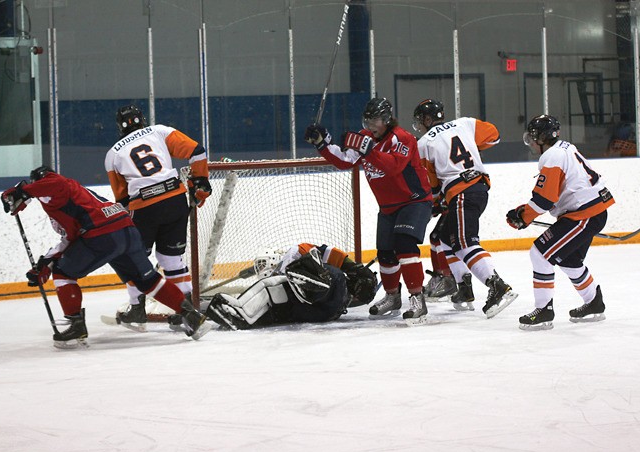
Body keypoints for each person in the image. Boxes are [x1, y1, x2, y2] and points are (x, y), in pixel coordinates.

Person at [0, 166, 211, 349]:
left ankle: (76, 326)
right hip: (126, 228)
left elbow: (54, 183)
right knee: (148, 280)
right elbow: (69, 239)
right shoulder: (72, 197)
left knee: (63, 273)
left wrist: (23, 191)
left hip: (103, 234)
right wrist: (45, 261)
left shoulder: (60, 185)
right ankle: (191, 315)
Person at [304, 97, 433, 324]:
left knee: (404, 245)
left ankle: (417, 299)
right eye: (367, 120)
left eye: (374, 120)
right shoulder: (365, 138)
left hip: (414, 201)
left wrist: (368, 150)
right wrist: (323, 144)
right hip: (388, 206)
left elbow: (393, 167)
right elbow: (345, 160)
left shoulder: (403, 138)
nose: (370, 125)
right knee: (385, 252)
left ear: (385, 119)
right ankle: (393, 297)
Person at [104, 104, 212, 328]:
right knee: (171, 259)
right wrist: (200, 181)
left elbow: (123, 200)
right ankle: (187, 310)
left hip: (144, 209)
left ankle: (136, 309)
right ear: (141, 119)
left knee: (134, 259)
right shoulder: (160, 131)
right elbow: (197, 151)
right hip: (175, 200)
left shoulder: (113, 154)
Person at [506, 114, 615, 330]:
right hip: (591, 210)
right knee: (569, 260)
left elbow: (545, 200)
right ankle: (594, 301)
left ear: (542, 138)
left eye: (534, 137)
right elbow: (551, 196)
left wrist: (524, 217)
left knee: (539, 253)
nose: (532, 143)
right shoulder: (566, 148)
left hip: (583, 214)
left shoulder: (552, 157)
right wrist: (524, 212)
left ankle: (544, 310)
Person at [413, 98, 517, 318]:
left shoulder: (424, 143)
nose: (420, 125)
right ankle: (464, 287)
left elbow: (431, 182)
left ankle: (498, 286)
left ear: (428, 119)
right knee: (443, 236)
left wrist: (433, 202)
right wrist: (470, 144)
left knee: (464, 242)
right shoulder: (465, 124)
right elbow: (494, 136)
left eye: (421, 121)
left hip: (461, 192)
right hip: (476, 187)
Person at [205, 244, 377, 330]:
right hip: (322, 313)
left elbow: (321, 250)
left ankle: (315, 285)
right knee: (275, 305)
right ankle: (240, 319)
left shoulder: (290, 257)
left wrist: (353, 267)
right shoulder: (279, 288)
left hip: (332, 291)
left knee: (273, 288)